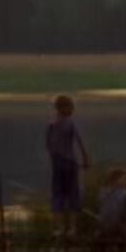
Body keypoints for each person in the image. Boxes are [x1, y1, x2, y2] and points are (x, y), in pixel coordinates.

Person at [45, 94, 90, 243]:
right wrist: (85, 160)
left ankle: (57, 229)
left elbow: (49, 147)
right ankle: (72, 229)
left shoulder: (52, 125)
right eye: (71, 107)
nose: (73, 110)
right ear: (67, 108)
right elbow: (80, 143)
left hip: (57, 164)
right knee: (73, 195)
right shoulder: (70, 123)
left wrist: (56, 157)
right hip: (70, 164)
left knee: (57, 196)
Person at [96, 168, 126, 245]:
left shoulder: (102, 192)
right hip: (120, 226)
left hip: (103, 225)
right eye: (125, 179)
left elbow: (100, 207)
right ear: (116, 180)